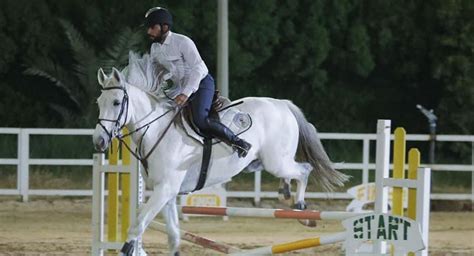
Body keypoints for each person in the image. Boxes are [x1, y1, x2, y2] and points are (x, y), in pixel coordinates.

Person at [144, 7, 252, 158]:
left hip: (201, 83)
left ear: (165, 27)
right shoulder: (155, 48)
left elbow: (198, 68)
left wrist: (185, 94)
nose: (149, 31)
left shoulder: (182, 42)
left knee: (200, 119)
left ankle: (238, 142)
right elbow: (158, 73)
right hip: (179, 89)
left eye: (152, 27)